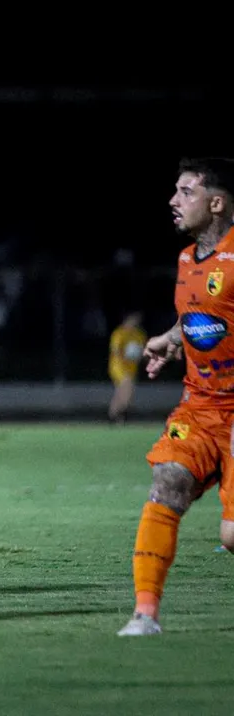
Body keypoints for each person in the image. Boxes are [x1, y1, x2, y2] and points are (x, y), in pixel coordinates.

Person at [118, 156, 234, 637]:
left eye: (186, 192)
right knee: (167, 480)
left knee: (232, 535)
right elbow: (202, 316)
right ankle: (145, 615)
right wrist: (171, 339)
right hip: (200, 407)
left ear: (216, 203)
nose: (173, 200)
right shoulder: (188, 260)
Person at [107, 310, 146, 424]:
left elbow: (142, 350)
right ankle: (120, 414)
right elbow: (115, 350)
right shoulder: (119, 333)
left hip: (131, 368)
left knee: (122, 392)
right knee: (126, 386)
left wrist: (140, 356)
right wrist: (126, 355)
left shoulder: (139, 334)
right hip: (118, 366)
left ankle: (115, 415)